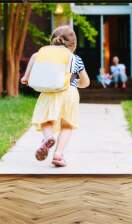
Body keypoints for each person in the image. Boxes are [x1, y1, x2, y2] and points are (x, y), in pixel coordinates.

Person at [21, 26, 90, 167]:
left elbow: (26, 79)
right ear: (74, 44)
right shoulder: (75, 59)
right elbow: (86, 82)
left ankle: (48, 138)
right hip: (69, 93)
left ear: (52, 41)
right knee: (67, 125)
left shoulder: (38, 55)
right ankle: (58, 154)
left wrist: (26, 77)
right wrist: (77, 84)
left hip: (48, 94)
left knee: (46, 121)